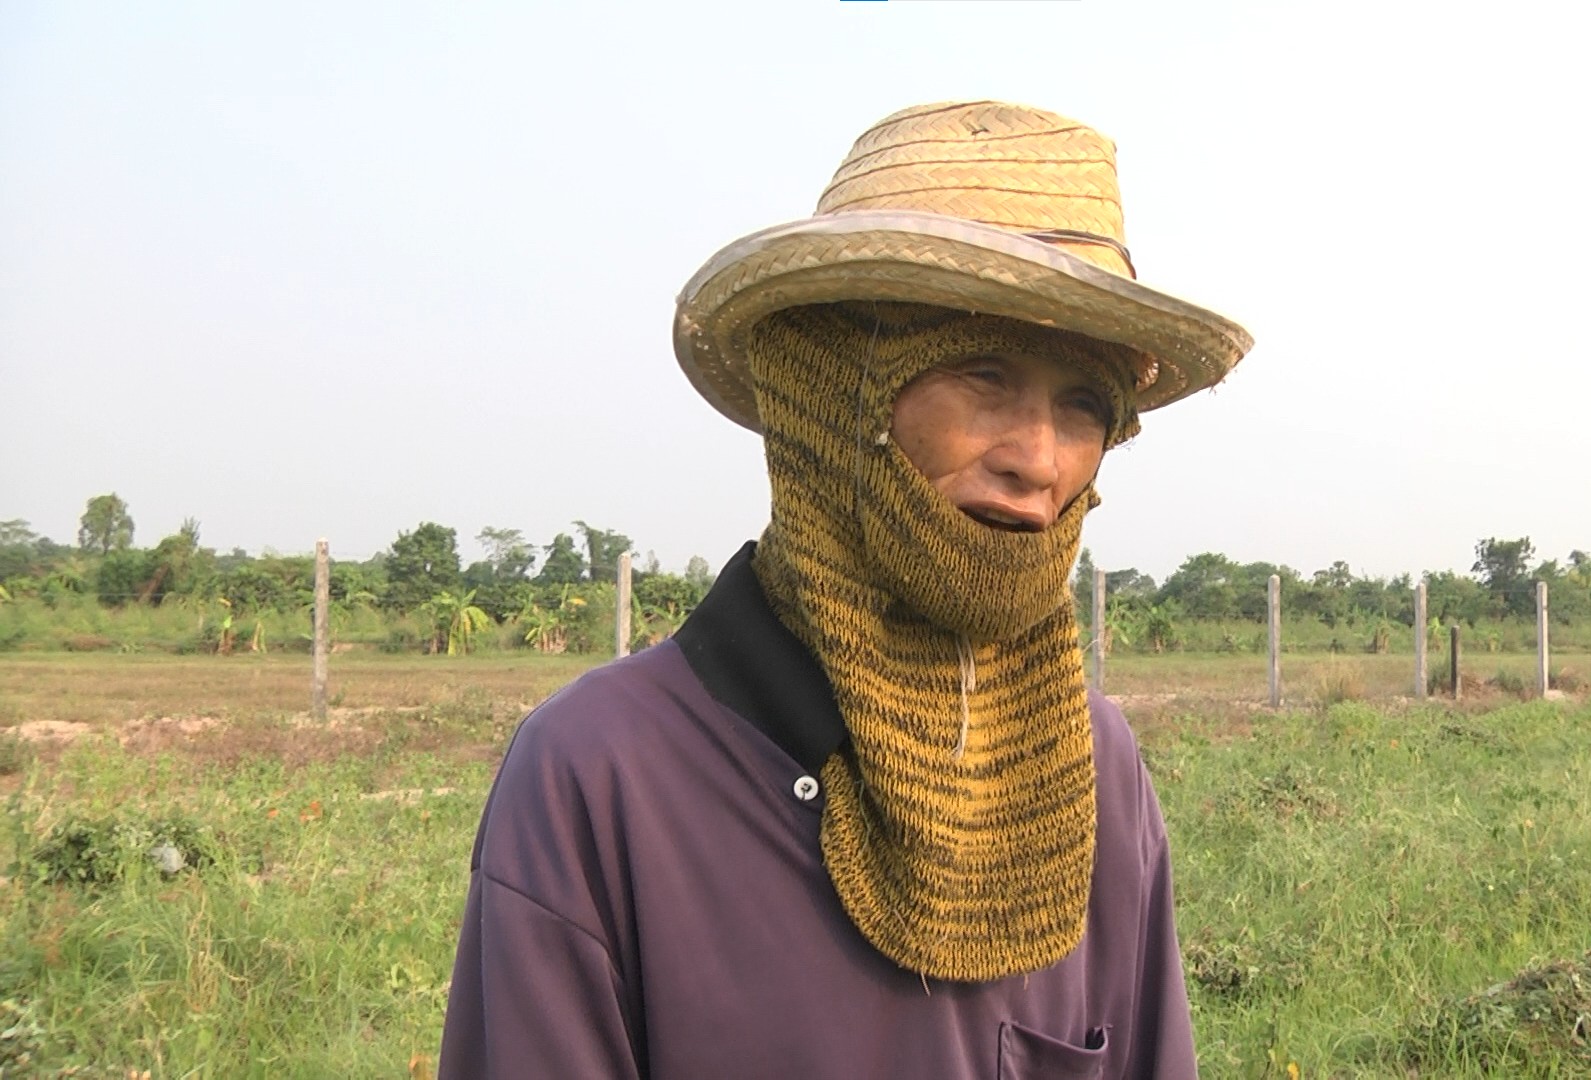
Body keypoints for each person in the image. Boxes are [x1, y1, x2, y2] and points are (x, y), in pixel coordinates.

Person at [439, 100, 1252, 1079]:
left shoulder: (1095, 767)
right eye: (981, 374)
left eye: (1084, 404)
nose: (1040, 461)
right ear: (825, 389)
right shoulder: (600, 775)